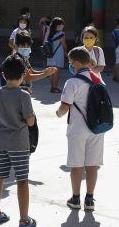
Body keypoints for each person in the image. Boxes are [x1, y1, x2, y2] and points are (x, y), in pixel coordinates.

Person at [0, 55, 37, 227]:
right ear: (23, 75)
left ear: (3, 74)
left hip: (1, 142)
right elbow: (30, 121)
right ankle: (24, 219)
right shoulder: (24, 95)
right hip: (19, 144)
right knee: (22, 180)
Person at [56, 47, 105, 210]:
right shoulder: (98, 79)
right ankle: (89, 200)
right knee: (92, 165)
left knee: (76, 165)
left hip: (77, 128)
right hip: (96, 128)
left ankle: (75, 199)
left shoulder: (72, 82)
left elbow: (64, 107)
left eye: (71, 62)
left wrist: (58, 114)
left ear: (76, 63)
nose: (70, 65)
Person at [45, 17, 67, 93]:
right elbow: (64, 45)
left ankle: (52, 87)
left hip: (50, 55)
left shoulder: (49, 33)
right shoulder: (61, 34)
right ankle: (54, 88)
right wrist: (66, 52)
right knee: (56, 72)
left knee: (51, 72)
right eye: (61, 25)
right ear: (57, 25)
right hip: (58, 54)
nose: (62, 26)